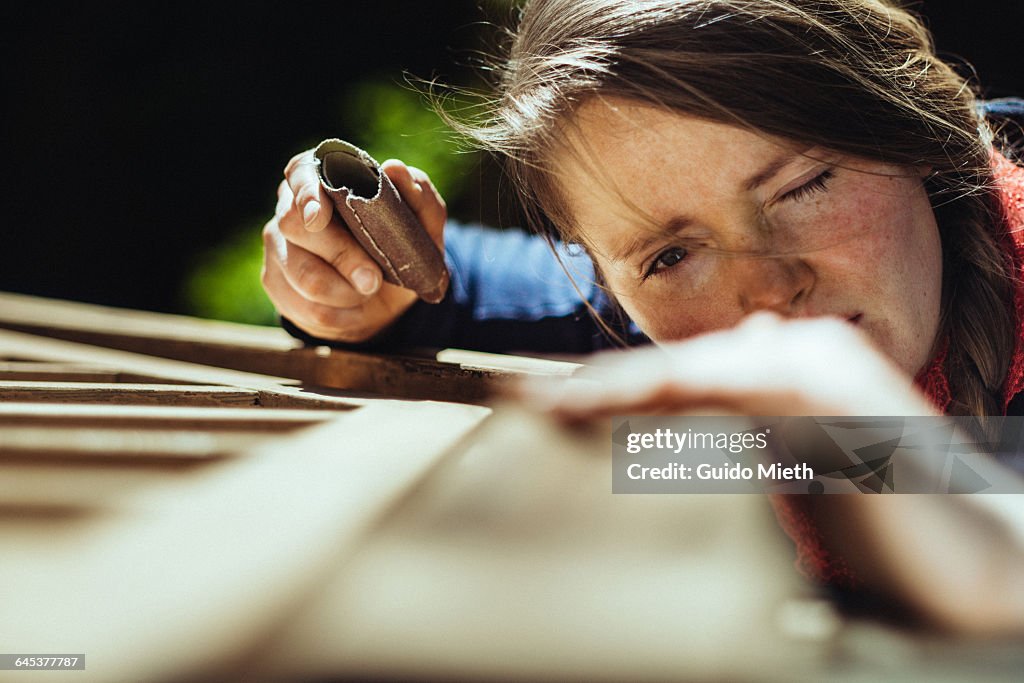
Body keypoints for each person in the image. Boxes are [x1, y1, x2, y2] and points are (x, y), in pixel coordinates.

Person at [262, 0, 1024, 633]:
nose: (766, 288)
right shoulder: (650, 315)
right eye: (669, 256)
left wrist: (859, 433)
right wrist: (358, 291)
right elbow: (471, 285)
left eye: (804, 186)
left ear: (913, 129)